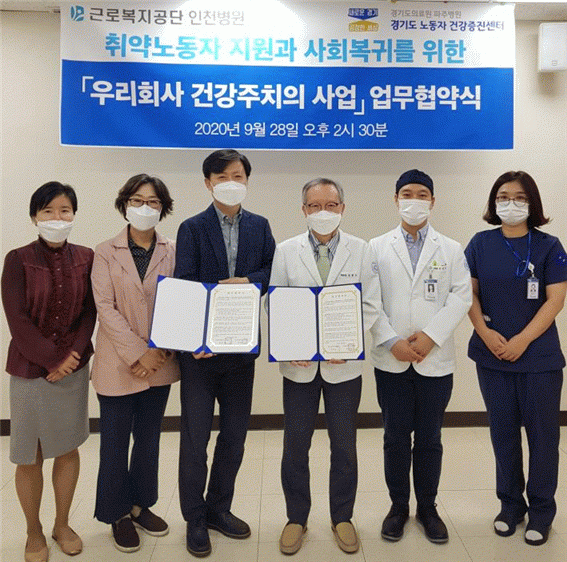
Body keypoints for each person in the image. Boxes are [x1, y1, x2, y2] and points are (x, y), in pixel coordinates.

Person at [268, 178, 382, 555]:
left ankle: (342, 516)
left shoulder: (361, 250)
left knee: (344, 446)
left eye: (330, 205)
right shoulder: (286, 251)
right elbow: (274, 302)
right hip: (299, 368)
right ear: (303, 210)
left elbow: (371, 304)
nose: (323, 212)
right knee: (295, 446)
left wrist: (347, 342)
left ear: (342, 209)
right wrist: (289, 343)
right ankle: (296, 517)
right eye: (314, 206)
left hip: (343, 367)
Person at [175, 149, 275, 557]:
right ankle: (194, 517)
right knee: (195, 439)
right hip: (200, 354)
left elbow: (270, 271)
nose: (230, 183)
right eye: (221, 177)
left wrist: (247, 281)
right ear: (208, 183)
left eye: (237, 176)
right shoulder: (191, 228)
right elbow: (184, 282)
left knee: (234, 437)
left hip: (240, 350)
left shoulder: (259, 225)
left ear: (247, 181)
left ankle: (219, 508)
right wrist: (194, 339)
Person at [365, 169, 472, 544]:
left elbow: (461, 297)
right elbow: (369, 301)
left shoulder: (451, 248)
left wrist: (430, 337)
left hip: (435, 360)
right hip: (391, 359)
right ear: (396, 200)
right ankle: (398, 508)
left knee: (430, 439)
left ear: (432, 201)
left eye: (422, 194)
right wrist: (391, 340)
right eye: (407, 194)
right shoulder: (376, 247)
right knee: (395, 438)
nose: (414, 200)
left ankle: (428, 508)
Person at [465, 171, 567, 546]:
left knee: (543, 438)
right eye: (503, 196)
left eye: (520, 197)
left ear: (532, 203)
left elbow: (555, 299)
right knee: (503, 434)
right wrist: (486, 333)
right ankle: (510, 506)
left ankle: (541, 512)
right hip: (492, 356)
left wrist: (522, 340)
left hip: (538, 358)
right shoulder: (480, 243)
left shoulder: (549, 246)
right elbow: (468, 294)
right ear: (494, 203)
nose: (511, 203)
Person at [1, 182, 96, 562]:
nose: (57, 218)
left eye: (64, 211)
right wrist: (52, 359)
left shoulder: (87, 257)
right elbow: (17, 318)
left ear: (74, 215)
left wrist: (72, 356)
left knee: (67, 448)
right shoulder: (18, 259)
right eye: (48, 211)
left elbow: (89, 312)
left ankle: (62, 524)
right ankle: (33, 531)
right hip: (29, 370)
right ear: (34, 217)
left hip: (73, 369)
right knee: (31, 455)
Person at [90, 174, 180, 553]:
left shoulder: (174, 250)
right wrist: (138, 352)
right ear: (125, 204)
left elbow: (181, 304)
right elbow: (105, 308)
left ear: (163, 208)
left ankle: (141, 505)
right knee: (114, 443)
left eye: (154, 202)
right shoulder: (104, 251)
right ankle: (116, 514)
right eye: (138, 200)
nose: (146, 208)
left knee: (148, 440)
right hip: (118, 363)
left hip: (159, 362)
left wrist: (158, 351)